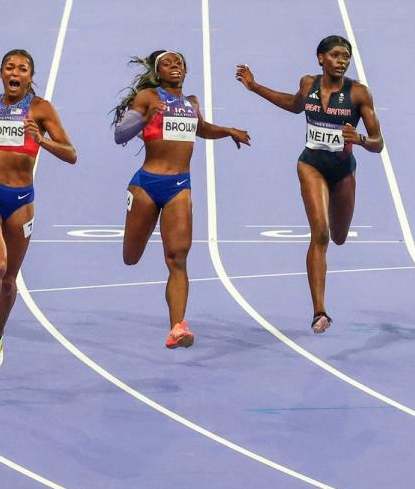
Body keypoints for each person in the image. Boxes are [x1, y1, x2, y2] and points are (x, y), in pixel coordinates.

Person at [235, 35, 383, 334]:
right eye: (336, 55)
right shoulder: (308, 84)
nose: (342, 61)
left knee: (339, 236)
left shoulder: (358, 94)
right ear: (320, 58)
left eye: (346, 57)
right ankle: (319, 311)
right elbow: (293, 105)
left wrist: (362, 140)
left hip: (343, 171)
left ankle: (321, 302)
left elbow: (379, 143)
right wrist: (254, 86)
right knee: (321, 233)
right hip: (311, 165)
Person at [112, 50, 249, 348]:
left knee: (178, 258)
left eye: (179, 64)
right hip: (146, 185)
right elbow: (121, 134)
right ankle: (175, 321)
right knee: (130, 257)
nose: (174, 67)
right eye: (168, 64)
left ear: (186, 71)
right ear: (158, 72)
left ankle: (177, 327)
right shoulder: (149, 96)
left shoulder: (191, 104)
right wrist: (146, 117)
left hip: (179, 187)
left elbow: (201, 129)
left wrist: (227, 131)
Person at [0, 49, 76, 371]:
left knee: (9, 279)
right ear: (1, 73)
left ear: (30, 77)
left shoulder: (41, 109)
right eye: (10, 67)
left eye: (22, 69)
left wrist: (43, 141)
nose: (15, 72)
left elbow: (71, 153)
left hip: (21, 200)